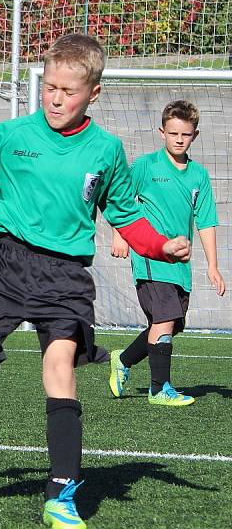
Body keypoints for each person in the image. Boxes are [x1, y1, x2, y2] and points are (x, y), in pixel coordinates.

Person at [0, 34, 191, 529]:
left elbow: (124, 214)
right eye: (49, 87)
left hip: (64, 277)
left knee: (60, 370)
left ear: (93, 94)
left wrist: (160, 247)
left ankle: (61, 492)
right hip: (2, 265)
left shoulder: (106, 150)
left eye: (67, 91)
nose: (54, 98)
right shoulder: (15, 135)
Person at [109, 100, 224, 406]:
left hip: (180, 265)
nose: (178, 139)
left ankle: (123, 359)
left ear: (194, 135)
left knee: (169, 324)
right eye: (173, 132)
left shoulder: (199, 176)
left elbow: (207, 221)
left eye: (185, 134)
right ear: (162, 132)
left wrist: (213, 265)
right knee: (164, 320)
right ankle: (159, 389)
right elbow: (120, 199)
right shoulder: (146, 166)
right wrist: (120, 234)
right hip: (149, 257)